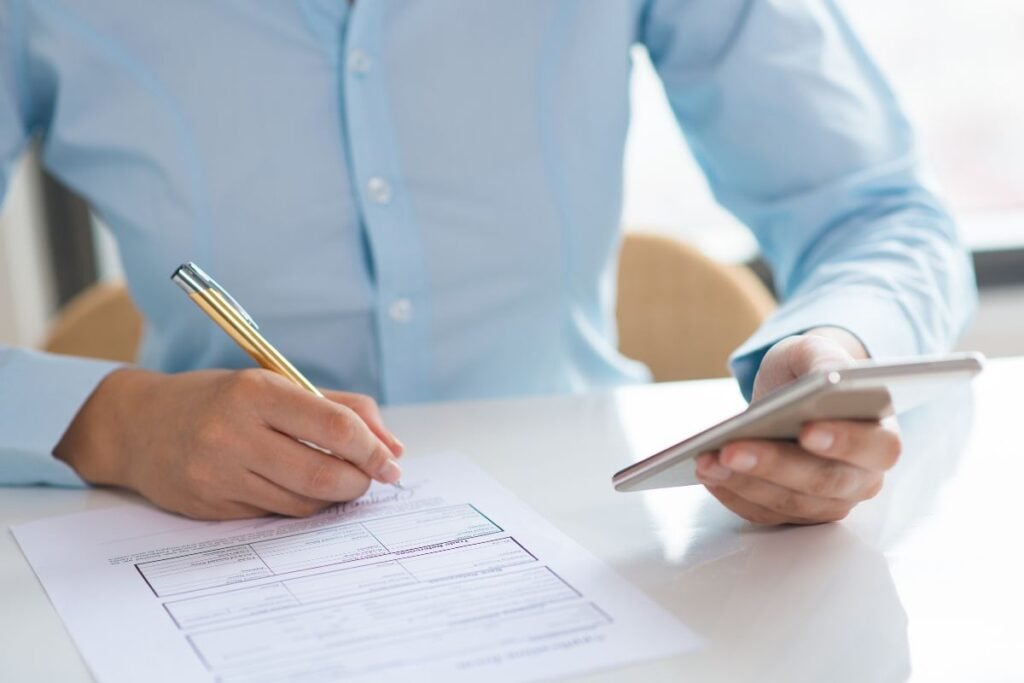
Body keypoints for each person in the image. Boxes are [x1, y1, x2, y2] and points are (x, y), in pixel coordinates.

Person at [0, 2, 975, 524]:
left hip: (595, 533)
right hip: (187, 542)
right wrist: (111, 424)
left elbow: (877, 211)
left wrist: (834, 362)